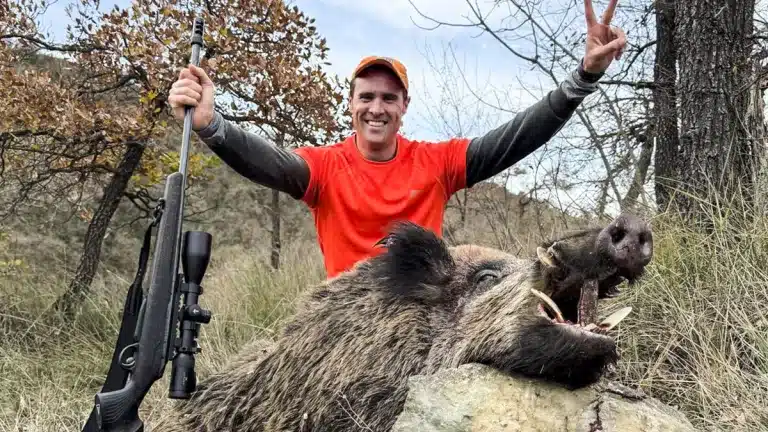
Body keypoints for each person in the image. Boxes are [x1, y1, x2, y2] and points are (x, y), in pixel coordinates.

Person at [167, 0, 626, 278]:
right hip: (349, 318)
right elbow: (268, 162)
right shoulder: (324, 168)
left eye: (389, 98)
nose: (377, 108)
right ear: (351, 103)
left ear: (404, 107)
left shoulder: (437, 163)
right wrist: (213, 126)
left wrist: (581, 79)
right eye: (366, 96)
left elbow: (514, 139)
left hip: (423, 314)